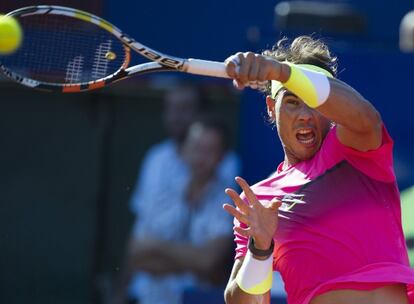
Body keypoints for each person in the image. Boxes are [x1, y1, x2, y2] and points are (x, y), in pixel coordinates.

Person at [222, 36, 414, 304]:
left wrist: (281, 72)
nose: (305, 114)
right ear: (271, 108)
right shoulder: (258, 201)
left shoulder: (357, 149)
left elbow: (364, 117)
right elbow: (243, 302)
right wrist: (260, 249)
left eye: (314, 103)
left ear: (329, 108)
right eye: (291, 101)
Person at [111, 85, 239, 304]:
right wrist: (193, 258)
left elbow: (210, 263)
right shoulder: (162, 181)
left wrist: (158, 248)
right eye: (196, 148)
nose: (201, 157)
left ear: (221, 157)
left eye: (209, 151)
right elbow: (137, 254)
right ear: (186, 150)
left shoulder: (226, 194)